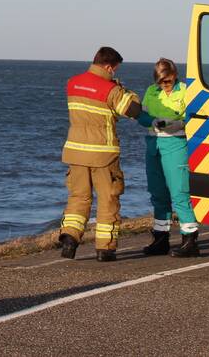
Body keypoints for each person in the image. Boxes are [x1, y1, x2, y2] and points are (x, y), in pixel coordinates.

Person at [59, 46, 145, 262]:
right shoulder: (111, 89)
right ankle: (105, 249)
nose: (114, 73)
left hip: (75, 151)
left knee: (78, 197)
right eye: (114, 70)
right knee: (108, 198)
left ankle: (69, 238)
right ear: (109, 66)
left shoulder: (73, 83)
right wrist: (124, 90)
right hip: (103, 154)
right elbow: (133, 109)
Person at [138, 58, 200, 257]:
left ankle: (189, 239)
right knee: (158, 194)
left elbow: (195, 115)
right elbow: (141, 115)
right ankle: (161, 238)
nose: (166, 85)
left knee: (179, 192)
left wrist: (180, 124)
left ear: (175, 76)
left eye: (169, 81)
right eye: (162, 82)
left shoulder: (185, 90)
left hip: (175, 143)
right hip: (154, 144)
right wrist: (153, 121)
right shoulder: (151, 91)